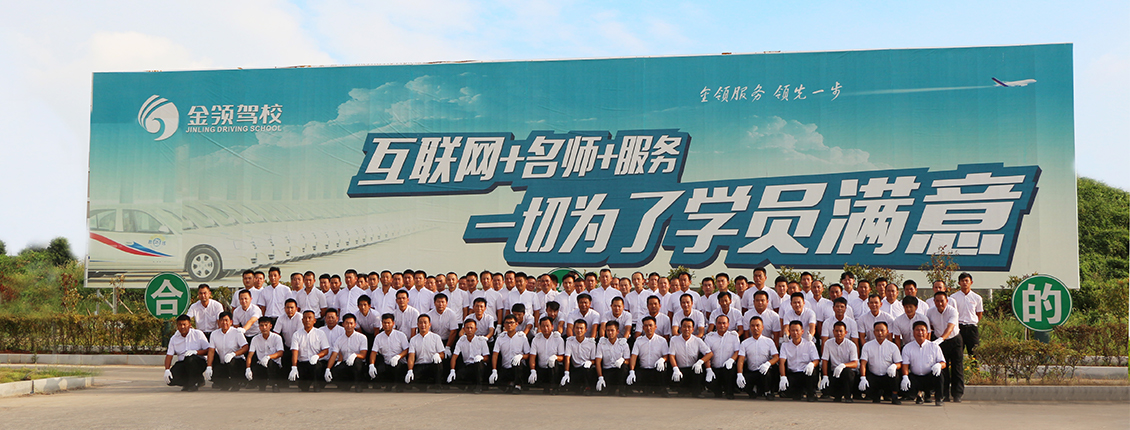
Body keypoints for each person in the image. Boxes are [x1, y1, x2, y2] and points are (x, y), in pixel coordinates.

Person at [926, 291, 963, 402]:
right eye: (937, 301)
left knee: (957, 368)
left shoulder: (953, 311)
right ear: (934, 301)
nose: (940, 303)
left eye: (942, 301)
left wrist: (941, 339)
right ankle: (943, 394)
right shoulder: (930, 312)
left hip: (954, 340)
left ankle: (957, 394)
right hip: (939, 342)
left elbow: (950, 327)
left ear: (947, 301)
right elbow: (929, 327)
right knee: (942, 368)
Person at [900, 321, 946, 406]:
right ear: (913, 332)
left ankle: (939, 398)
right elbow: (905, 365)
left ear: (927, 332)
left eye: (922, 330)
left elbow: (943, 363)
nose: (920, 332)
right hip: (915, 377)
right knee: (907, 381)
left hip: (929, 377)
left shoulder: (934, 346)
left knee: (940, 374)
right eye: (917, 330)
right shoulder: (907, 348)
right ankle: (919, 395)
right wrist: (905, 377)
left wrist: (939, 365)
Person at [859, 321, 902, 404]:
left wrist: (894, 366)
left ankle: (894, 396)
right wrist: (863, 377)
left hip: (887, 376)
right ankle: (875, 395)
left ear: (887, 332)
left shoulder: (893, 346)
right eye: (877, 331)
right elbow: (863, 363)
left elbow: (899, 363)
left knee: (896, 375)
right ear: (874, 332)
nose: (880, 333)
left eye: (882, 330)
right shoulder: (867, 346)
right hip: (874, 376)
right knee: (868, 384)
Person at [736, 316, 779, 400]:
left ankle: (767, 392)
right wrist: (739, 374)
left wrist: (767, 364)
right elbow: (741, 360)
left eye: (757, 325)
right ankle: (752, 391)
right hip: (752, 371)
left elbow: (776, 357)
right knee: (743, 381)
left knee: (768, 373)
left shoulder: (769, 341)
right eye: (752, 326)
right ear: (750, 327)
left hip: (764, 372)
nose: (755, 328)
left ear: (762, 327)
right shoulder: (745, 343)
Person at [667, 318, 711, 398]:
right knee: (680, 389)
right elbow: (671, 356)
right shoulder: (674, 340)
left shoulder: (697, 340)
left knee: (698, 371)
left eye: (689, 327)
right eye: (684, 326)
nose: (686, 329)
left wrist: (700, 362)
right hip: (680, 369)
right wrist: (675, 368)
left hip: (693, 368)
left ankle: (696, 393)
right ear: (680, 328)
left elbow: (709, 353)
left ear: (693, 329)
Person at [164, 314, 209, 391]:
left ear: (190, 325)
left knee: (189, 359)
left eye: (184, 324)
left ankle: (193, 384)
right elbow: (169, 355)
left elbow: (208, 350)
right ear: (177, 326)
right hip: (183, 363)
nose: (182, 327)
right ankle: (192, 381)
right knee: (170, 379)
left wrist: (196, 352)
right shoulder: (174, 338)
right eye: (180, 325)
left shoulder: (198, 334)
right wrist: (167, 369)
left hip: (197, 362)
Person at [205, 312, 249, 391]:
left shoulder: (237, 332)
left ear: (231, 322)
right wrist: (209, 366)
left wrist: (233, 354)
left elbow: (245, 347)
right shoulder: (214, 334)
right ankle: (226, 384)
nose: (224, 322)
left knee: (232, 362)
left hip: (237, 362)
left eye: (226, 320)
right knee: (216, 374)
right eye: (222, 320)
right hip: (223, 363)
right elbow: (211, 351)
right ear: (219, 322)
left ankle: (236, 384)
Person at [628, 316, 670, 397]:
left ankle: (662, 390)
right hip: (643, 370)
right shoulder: (639, 340)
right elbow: (634, 356)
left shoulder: (662, 340)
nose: (648, 328)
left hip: (656, 370)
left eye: (651, 325)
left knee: (662, 371)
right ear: (643, 328)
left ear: (655, 327)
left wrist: (662, 360)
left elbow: (666, 356)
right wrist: (632, 371)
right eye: (646, 326)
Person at [326, 313, 369, 392]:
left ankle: (358, 385)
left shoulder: (362, 337)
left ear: (355, 325)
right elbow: (334, 355)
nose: (349, 326)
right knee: (335, 371)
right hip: (346, 363)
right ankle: (346, 384)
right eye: (347, 323)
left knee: (357, 362)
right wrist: (328, 369)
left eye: (351, 323)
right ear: (343, 324)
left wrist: (354, 355)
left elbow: (363, 355)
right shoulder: (339, 339)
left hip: (358, 364)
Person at [289, 310, 329, 392]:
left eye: (310, 318)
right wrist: (294, 367)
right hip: (303, 363)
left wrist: (317, 356)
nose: (307, 320)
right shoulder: (296, 334)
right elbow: (295, 352)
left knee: (318, 366)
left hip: (315, 363)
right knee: (303, 387)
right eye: (305, 318)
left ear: (314, 320)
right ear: (302, 320)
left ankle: (317, 384)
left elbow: (326, 350)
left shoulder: (320, 333)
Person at [778, 321, 819, 402]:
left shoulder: (809, 344)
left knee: (813, 372)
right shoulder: (785, 345)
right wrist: (783, 377)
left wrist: (812, 364)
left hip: (805, 373)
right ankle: (797, 392)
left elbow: (816, 360)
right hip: (793, 374)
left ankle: (811, 393)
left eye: (797, 330)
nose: (795, 333)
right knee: (793, 395)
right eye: (792, 330)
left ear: (802, 331)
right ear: (789, 332)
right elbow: (782, 362)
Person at [819, 322, 859, 403]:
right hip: (834, 372)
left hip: (847, 372)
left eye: (841, 331)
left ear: (845, 332)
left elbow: (855, 363)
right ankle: (837, 395)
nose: (839, 333)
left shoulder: (851, 345)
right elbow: (825, 360)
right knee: (827, 388)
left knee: (847, 373)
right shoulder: (828, 343)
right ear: (833, 332)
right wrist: (825, 376)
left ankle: (848, 396)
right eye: (836, 331)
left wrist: (843, 365)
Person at [405, 314, 446, 392]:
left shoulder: (436, 337)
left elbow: (442, 354)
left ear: (429, 324)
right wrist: (410, 370)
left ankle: (438, 386)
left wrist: (438, 355)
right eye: (420, 323)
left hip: (432, 364)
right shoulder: (413, 339)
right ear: (417, 325)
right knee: (410, 380)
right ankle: (422, 386)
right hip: (420, 365)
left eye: (425, 322)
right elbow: (411, 357)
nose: (423, 325)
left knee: (438, 364)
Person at [368, 313, 409, 392]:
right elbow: (373, 352)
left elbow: (407, 350)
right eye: (384, 323)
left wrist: (398, 356)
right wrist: (371, 365)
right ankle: (388, 384)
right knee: (379, 368)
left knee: (398, 367)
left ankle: (399, 385)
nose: (386, 325)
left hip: (399, 363)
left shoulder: (401, 335)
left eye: (388, 323)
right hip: (386, 362)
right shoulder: (378, 337)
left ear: (393, 323)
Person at [703, 315, 741, 399]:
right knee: (708, 380)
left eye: (724, 323)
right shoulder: (710, 337)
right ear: (716, 324)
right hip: (715, 368)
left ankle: (729, 393)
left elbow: (737, 351)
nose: (722, 325)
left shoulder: (733, 336)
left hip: (727, 369)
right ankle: (717, 391)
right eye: (719, 323)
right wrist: (709, 369)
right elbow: (706, 354)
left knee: (731, 371)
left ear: (728, 324)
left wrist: (731, 360)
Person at [491, 314, 531, 393]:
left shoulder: (522, 337)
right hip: (506, 367)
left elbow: (528, 354)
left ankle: (518, 386)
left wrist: (521, 356)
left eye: (511, 323)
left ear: (516, 324)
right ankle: (510, 384)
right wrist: (494, 370)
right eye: (507, 323)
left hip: (518, 367)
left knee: (517, 365)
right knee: (496, 381)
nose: (509, 325)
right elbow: (495, 354)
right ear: (504, 324)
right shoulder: (500, 338)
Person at [449, 319, 489, 393]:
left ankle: (479, 386)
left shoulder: (481, 340)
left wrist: (481, 358)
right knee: (454, 379)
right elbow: (454, 356)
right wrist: (452, 370)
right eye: (467, 328)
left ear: (475, 329)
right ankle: (470, 386)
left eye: (471, 328)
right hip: (468, 365)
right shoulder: (461, 341)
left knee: (478, 366)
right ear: (464, 329)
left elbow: (487, 358)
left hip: (479, 366)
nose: (469, 330)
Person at [949, 272, 983, 357]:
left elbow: (979, 313)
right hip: (958, 327)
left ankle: (974, 366)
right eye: (962, 281)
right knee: (957, 352)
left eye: (966, 280)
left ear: (971, 282)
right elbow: (951, 313)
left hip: (972, 328)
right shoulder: (953, 297)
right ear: (959, 283)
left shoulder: (977, 298)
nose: (965, 283)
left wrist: (973, 322)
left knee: (974, 352)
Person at [529, 316, 566, 394]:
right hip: (542, 368)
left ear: (552, 327)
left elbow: (562, 357)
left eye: (547, 326)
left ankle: (554, 387)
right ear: (540, 327)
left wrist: (555, 357)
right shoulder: (536, 339)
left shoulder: (558, 339)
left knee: (554, 363)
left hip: (554, 369)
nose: (545, 328)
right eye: (543, 326)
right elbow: (532, 356)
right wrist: (532, 370)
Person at [246, 317, 284, 392]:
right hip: (261, 364)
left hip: (274, 364)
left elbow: (280, 352)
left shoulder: (277, 338)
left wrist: (268, 357)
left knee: (271, 363)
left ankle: (275, 385)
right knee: (256, 367)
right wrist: (248, 368)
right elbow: (250, 355)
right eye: (261, 325)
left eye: (266, 325)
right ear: (259, 327)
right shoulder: (255, 339)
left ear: (270, 326)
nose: (264, 328)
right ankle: (261, 385)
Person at [563, 319, 599, 395]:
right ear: (573, 329)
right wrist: (566, 372)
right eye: (577, 328)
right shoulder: (570, 341)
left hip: (587, 369)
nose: (579, 330)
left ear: (586, 330)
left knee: (589, 370)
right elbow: (567, 358)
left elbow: (594, 360)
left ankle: (588, 388)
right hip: (576, 368)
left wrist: (589, 362)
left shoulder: (591, 343)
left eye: (581, 328)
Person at [595, 320, 631, 396]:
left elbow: (628, 360)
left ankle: (622, 390)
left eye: (612, 330)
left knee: (624, 367)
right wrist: (600, 377)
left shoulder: (623, 344)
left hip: (619, 370)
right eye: (608, 330)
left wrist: (622, 360)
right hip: (607, 370)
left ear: (617, 331)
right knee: (606, 392)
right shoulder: (601, 343)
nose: (610, 333)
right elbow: (598, 361)